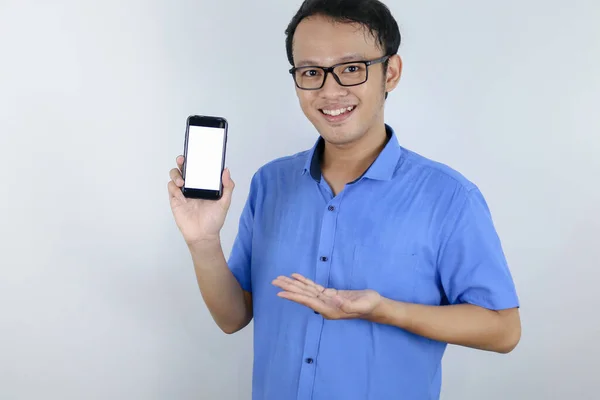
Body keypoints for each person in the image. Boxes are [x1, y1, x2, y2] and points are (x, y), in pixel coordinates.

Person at [168, 0, 521, 398]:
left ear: (391, 72)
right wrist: (202, 243)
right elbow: (233, 317)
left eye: (352, 68)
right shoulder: (271, 183)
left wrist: (386, 310)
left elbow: (504, 329)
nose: (330, 91)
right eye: (311, 72)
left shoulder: (449, 197)